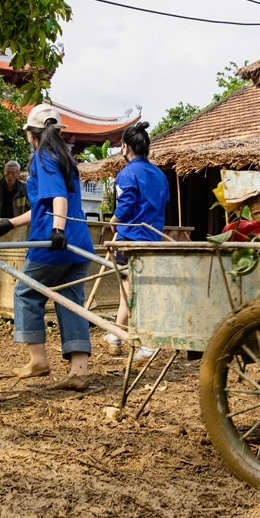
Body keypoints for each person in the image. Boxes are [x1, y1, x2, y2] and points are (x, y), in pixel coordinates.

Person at [0, 104, 96, 391]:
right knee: (71, 299)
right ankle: (79, 370)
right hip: (79, 241)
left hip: (54, 244)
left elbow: (57, 198)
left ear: (31, 134)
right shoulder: (66, 159)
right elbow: (44, 206)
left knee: (26, 293)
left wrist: (57, 230)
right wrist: (9, 223)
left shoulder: (43, 158)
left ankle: (38, 360)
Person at [104, 121, 170, 359]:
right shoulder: (160, 175)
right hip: (154, 241)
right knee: (129, 291)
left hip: (131, 242)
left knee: (134, 294)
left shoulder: (127, 174)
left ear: (125, 147)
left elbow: (126, 205)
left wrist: (114, 220)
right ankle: (115, 335)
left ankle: (148, 344)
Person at [0, 160, 29, 227]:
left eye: (13, 173)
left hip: (18, 225)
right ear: (4, 173)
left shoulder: (25, 188)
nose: (10, 175)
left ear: (18, 174)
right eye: (8, 172)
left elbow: (32, 207)